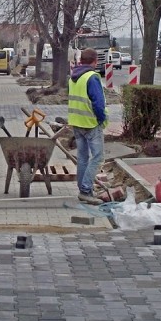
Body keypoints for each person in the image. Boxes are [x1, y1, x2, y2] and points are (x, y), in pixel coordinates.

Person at [68, 47, 107, 205]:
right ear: (95, 61)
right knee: (97, 157)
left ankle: (83, 190)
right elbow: (98, 103)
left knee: (83, 158)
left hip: (76, 123)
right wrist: (101, 118)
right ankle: (85, 189)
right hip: (90, 123)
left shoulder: (73, 77)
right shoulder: (92, 77)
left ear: (81, 60)